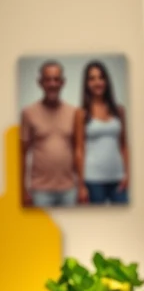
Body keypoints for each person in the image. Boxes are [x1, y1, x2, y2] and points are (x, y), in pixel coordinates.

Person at [20, 60, 81, 207]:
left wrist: (81, 186)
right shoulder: (28, 113)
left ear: (63, 82)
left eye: (56, 79)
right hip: (40, 190)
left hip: (69, 189)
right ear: (40, 83)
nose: (52, 84)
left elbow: (79, 150)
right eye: (48, 80)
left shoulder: (74, 113)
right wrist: (22, 189)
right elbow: (22, 153)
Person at [75, 60, 129, 204]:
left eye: (101, 77)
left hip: (118, 178)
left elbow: (124, 145)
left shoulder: (119, 111)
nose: (97, 82)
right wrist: (81, 185)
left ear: (106, 80)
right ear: (86, 84)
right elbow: (79, 150)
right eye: (92, 78)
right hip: (93, 180)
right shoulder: (81, 114)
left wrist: (128, 174)